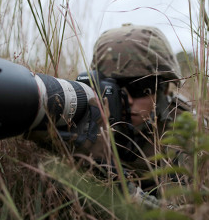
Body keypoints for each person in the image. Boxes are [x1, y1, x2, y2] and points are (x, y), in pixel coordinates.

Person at [25, 23, 191, 208]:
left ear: (162, 89)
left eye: (140, 87)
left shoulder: (186, 133)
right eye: (114, 89)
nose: (126, 99)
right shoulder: (89, 116)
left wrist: (107, 175)